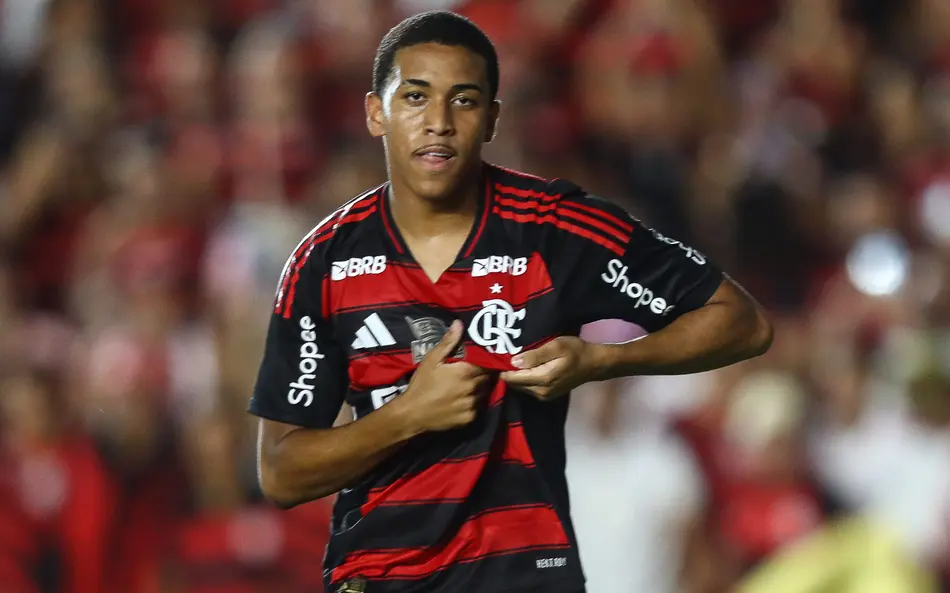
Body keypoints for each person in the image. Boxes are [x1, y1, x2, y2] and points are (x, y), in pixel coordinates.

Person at [249, 10, 772, 593]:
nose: (439, 122)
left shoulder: (556, 228)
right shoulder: (322, 261)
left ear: (492, 119)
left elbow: (741, 322)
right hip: (382, 578)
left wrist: (603, 361)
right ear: (377, 112)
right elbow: (282, 473)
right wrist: (407, 415)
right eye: (416, 97)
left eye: (464, 100)